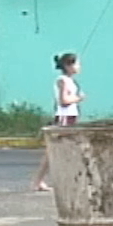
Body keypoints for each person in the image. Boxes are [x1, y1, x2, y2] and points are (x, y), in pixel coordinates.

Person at [31, 52, 83, 193]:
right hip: (64, 118)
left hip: (71, 116)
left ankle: (70, 179)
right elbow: (63, 101)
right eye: (76, 63)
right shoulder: (62, 80)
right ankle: (38, 181)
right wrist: (78, 99)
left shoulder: (69, 81)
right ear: (68, 65)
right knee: (54, 150)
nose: (79, 67)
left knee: (68, 149)